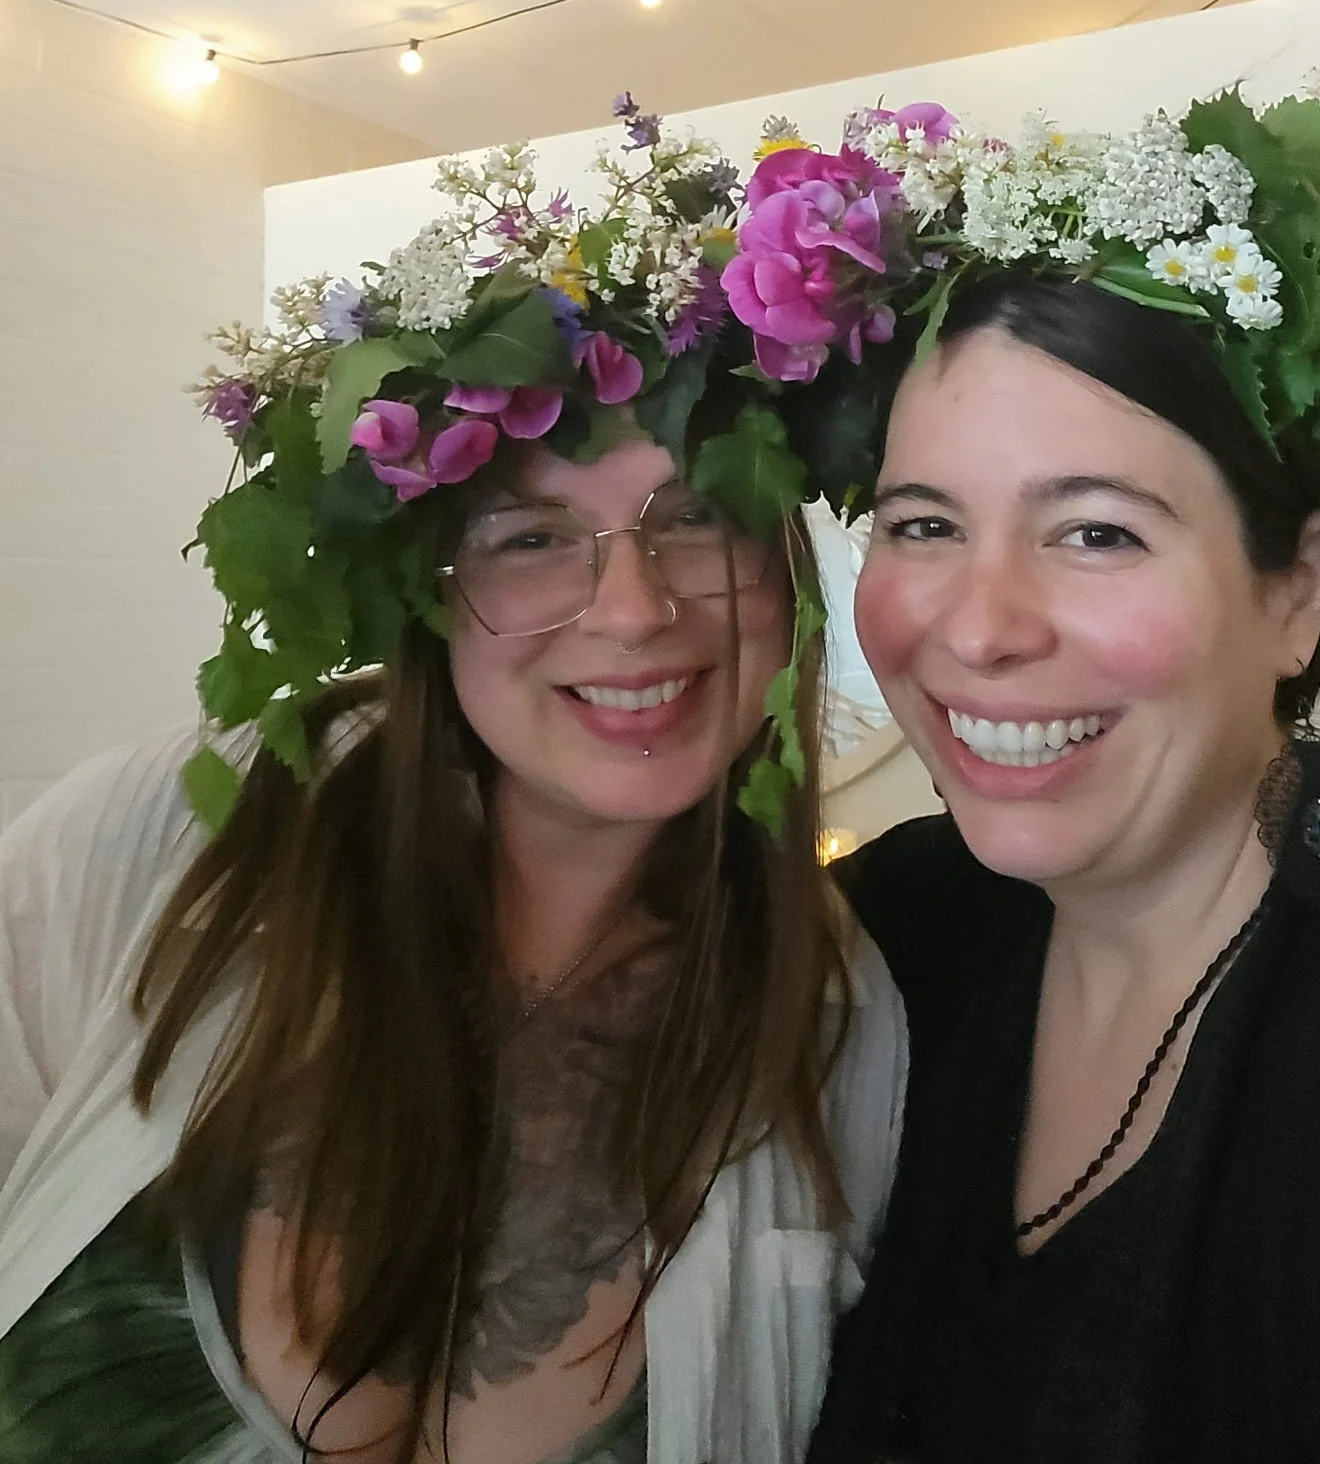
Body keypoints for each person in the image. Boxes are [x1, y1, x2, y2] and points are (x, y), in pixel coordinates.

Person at [0, 122, 906, 1464]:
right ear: (432, 597)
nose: (634, 609)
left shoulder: (836, 1029)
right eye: (534, 537)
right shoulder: (165, 846)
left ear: (787, 570)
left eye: (697, 518)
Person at [717, 88, 1320, 1461]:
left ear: (1296, 592)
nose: (979, 627)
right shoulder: (902, 940)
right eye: (925, 524)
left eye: (1094, 534)